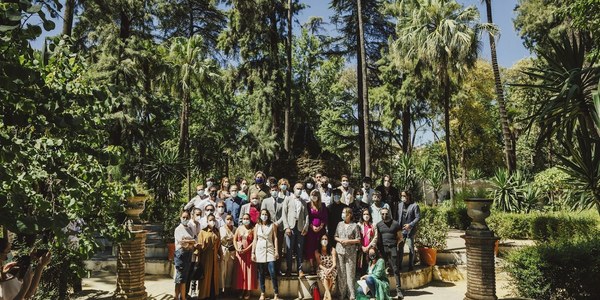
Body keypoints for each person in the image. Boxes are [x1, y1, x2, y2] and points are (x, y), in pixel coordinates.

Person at [251, 209, 280, 300]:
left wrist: (276, 251)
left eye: (266, 214)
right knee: (261, 273)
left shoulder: (272, 225)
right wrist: (253, 252)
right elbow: (255, 239)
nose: (264, 216)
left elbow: (275, 238)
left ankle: (276, 293)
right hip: (259, 250)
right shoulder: (257, 226)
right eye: (262, 214)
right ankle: (263, 293)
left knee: (272, 272)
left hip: (270, 249)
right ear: (260, 215)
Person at [282, 182, 309, 277]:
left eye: (301, 189)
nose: (299, 190)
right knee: (289, 250)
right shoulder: (288, 199)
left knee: (299, 249)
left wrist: (305, 227)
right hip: (290, 228)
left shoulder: (303, 202)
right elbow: (284, 214)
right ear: (293, 189)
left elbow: (306, 215)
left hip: (300, 228)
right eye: (297, 188)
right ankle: (289, 269)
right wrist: (286, 227)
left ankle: (300, 270)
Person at [260, 180, 288, 274]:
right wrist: (271, 224)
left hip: (279, 228)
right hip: (268, 228)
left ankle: (277, 269)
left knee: (278, 249)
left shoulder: (283, 201)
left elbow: (285, 214)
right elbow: (263, 213)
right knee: (268, 248)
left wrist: (277, 223)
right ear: (270, 191)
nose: (274, 191)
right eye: (272, 190)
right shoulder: (265, 201)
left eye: (276, 190)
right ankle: (267, 270)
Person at [376, 208, 404, 299]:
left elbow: (400, 238)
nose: (385, 215)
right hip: (383, 249)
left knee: (395, 270)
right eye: (383, 214)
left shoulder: (396, 224)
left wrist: (396, 247)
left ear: (390, 213)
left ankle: (399, 291)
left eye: (386, 213)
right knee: (382, 271)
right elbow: (378, 239)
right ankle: (384, 291)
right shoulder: (379, 225)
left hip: (392, 249)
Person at [335, 207, 361, 300]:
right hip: (340, 251)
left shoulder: (355, 225)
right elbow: (336, 236)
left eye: (344, 213)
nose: (342, 214)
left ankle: (351, 294)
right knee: (341, 273)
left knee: (350, 273)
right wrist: (340, 240)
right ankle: (341, 294)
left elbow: (358, 239)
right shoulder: (339, 224)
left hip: (351, 253)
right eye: (342, 212)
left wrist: (348, 241)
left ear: (349, 215)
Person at [196, 214, 222, 300]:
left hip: (214, 257)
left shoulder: (217, 231)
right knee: (205, 276)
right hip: (205, 257)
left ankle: (213, 294)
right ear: (207, 221)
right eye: (210, 220)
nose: (212, 222)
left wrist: (220, 255)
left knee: (214, 276)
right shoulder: (203, 232)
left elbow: (219, 245)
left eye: (213, 220)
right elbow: (199, 246)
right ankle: (203, 295)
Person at [173, 211, 197, 300]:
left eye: (187, 217)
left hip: (188, 255)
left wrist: (188, 241)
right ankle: (180, 297)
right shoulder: (178, 229)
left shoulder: (189, 229)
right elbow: (182, 243)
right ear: (180, 217)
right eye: (183, 217)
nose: (185, 219)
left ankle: (181, 296)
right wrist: (189, 241)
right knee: (180, 278)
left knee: (184, 278)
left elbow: (194, 241)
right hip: (181, 255)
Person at [234, 214, 257, 299]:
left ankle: (248, 290)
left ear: (250, 219)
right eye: (244, 219)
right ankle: (241, 289)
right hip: (240, 253)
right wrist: (237, 248)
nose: (245, 220)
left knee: (249, 271)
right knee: (241, 272)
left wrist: (247, 249)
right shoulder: (239, 228)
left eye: (247, 218)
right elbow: (234, 239)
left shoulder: (253, 229)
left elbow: (254, 241)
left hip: (248, 253)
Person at [305, 189, 328, 274]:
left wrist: (320, 226)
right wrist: (312, 226)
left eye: (316, 195)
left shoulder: (323, 205)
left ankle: (320, 265)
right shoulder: (308, 205)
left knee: (319, 246)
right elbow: (307, 218)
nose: (314, 196)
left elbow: (325, 218)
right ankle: (311, 266)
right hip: (311, 231)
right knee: (311, 247)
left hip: (321, 231)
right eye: (312, 195)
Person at [398, 190, 421, 271]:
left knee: (411, 248)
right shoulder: (400, 205)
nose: (402, 197)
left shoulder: (414, 206)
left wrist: (410, 225)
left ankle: (411, 266)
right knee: (400, 248)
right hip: (401, 230)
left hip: (410, 231)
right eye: (402, 195)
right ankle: (399, 265)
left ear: (408, 196)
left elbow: (417, 217)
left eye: (404, 195)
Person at [315, 234, 337, 300]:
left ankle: (325, 296)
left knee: (329, 274)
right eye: (322, 239)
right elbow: (319, 264)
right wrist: (325, 269)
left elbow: (334, 263)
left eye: (325, 239)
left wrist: (330, 269)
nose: (324, 240)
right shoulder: (317, 251)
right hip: (322, 269)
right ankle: (329, 296)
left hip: (332, 268)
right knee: (325, 275)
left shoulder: (332, 250)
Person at [219, 214, 237, 294]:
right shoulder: (221, 228)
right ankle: (221, 288)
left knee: (230, 269)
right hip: (224, 250)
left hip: (232, 251)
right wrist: (232, 238)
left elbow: (236, 239)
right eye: (227, 219)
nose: (229, 221)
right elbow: (223, 238)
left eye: (230, 219)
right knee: (223, 270)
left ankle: (228, 287)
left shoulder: (235, 229)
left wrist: (232, 238)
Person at [357, 209, 378, 276]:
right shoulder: (359, 225)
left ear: (370, 215)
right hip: (361, 249)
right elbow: (357, 237)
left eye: (367, 214)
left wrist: (368, 247)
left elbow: (376, 237)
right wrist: (362, 247)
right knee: (362, 268)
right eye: (364, 214)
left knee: (371, 267)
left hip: (371, 249)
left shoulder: (373, 225)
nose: (366, 216)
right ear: (362, 215)